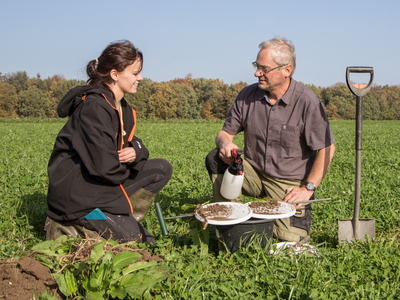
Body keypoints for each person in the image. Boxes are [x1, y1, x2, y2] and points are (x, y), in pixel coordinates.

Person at [205, 36, 335, 242]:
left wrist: (307, 188)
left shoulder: (307, 102)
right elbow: (225, 132)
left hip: (287, 183)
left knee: (289, 241)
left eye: (264, 68)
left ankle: (277, 222)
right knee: (215, 157)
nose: (257, 73)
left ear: (286, 70)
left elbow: (327, 148)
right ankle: (230, 220)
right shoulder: (246, 95)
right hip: (253, 173)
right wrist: (225, 143)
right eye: (257, 66)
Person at [45, 40, 172, 243]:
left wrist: (136, 152)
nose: (140, 78)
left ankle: (118, 216)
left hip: (101, 186)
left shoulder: (120, 106)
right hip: (81, 196)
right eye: (135, 72)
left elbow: (132, 143)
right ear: (115, 74)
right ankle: (68, 225)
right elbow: (106, 169)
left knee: (160, 168)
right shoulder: (94, 108)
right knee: (136, 239)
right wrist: (118, 193)